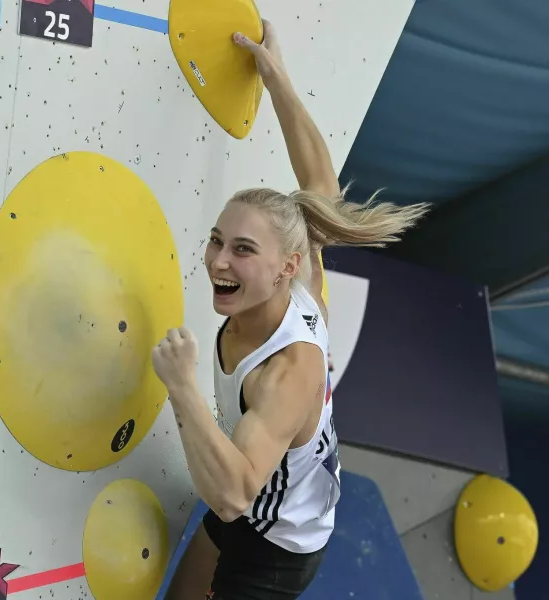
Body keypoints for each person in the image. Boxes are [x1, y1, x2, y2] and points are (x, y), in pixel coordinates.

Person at [151, 20, 429, 600]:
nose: (218, 261)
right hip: (259, 497)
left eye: (242, 250)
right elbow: (320, 182)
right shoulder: (301, 277)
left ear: (285, 266)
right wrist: (276, 79)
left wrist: (182, 389)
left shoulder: (288, 372)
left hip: (277, 548)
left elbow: (233, 494)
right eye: (216, 240)